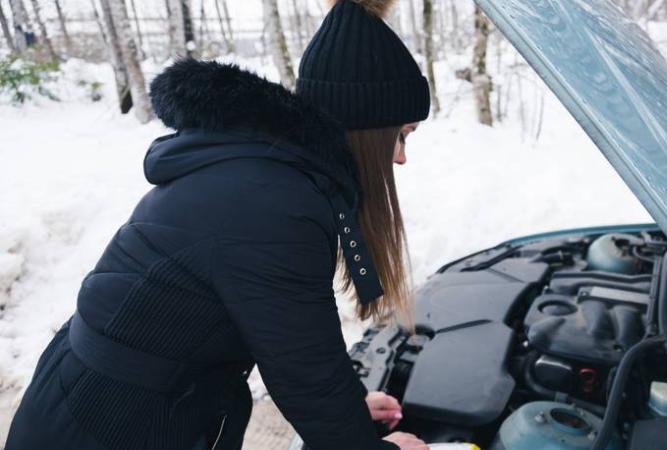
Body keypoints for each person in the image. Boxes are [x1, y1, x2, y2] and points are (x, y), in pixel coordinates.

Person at [5, 0, 431, 449]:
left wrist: (349, 406)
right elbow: (305, 373)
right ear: (365, 128)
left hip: (115, 402)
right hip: (102, 423)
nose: (401, 156)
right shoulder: (275, 203)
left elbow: (297, 338)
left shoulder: (278, 176)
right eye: (401, 136)